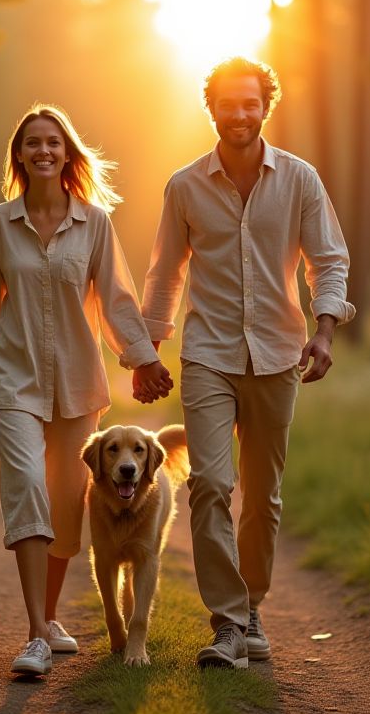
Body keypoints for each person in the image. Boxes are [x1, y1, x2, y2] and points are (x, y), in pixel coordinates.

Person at [136, 57, 355, 669]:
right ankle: (229, 623)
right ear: (211, 109)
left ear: (266, 107)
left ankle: (253, 602)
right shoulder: (184, 186)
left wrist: (326, 331)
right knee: (210, 484)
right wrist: (148, 353)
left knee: (263, 495)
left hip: (280, 352)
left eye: (250, 103)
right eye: (228, 104)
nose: (239, 114)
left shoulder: (300, 180)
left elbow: (328, 260)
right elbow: (166, 274)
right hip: (208, 352)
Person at [0, 103, 172, 677]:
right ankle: (33, 635)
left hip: (78, 381)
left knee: (65, 509)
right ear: (20, 156)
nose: (44, 150)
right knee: (27, 488)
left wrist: (144, 359)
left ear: (68, 152)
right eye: (33, 143)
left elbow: (118, 301)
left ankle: (49, 619)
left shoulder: (94, 223)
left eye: (53, 141)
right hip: (13, 377)